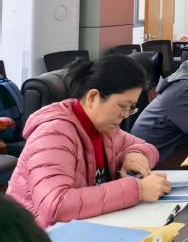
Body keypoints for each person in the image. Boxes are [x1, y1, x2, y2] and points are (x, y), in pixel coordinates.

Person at [6, 55, 170, 228]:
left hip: (84, 227)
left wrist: (135, 154)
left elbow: (147, 148)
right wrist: (138, 190)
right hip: (34, 235)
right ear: (93, 97)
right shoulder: (53, 133)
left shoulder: (105, 128)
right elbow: (57, 205)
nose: (125, 115)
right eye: (122, 106)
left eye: (131, 107)